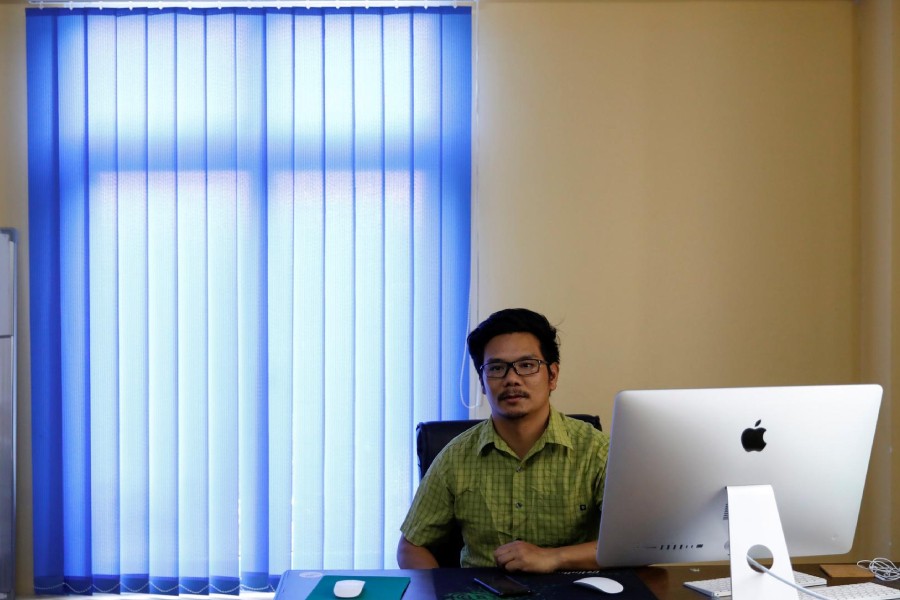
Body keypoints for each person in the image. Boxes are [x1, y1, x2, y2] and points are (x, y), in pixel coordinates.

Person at [397, 308, 610, 572]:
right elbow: (412, 546)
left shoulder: (595, 450)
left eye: (527, 365)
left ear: (552, 376)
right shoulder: (456, 456)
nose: (511, 379)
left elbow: (633, 544)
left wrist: (554, 557)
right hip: (480, 591)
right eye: (496, 368)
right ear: (484, 383)